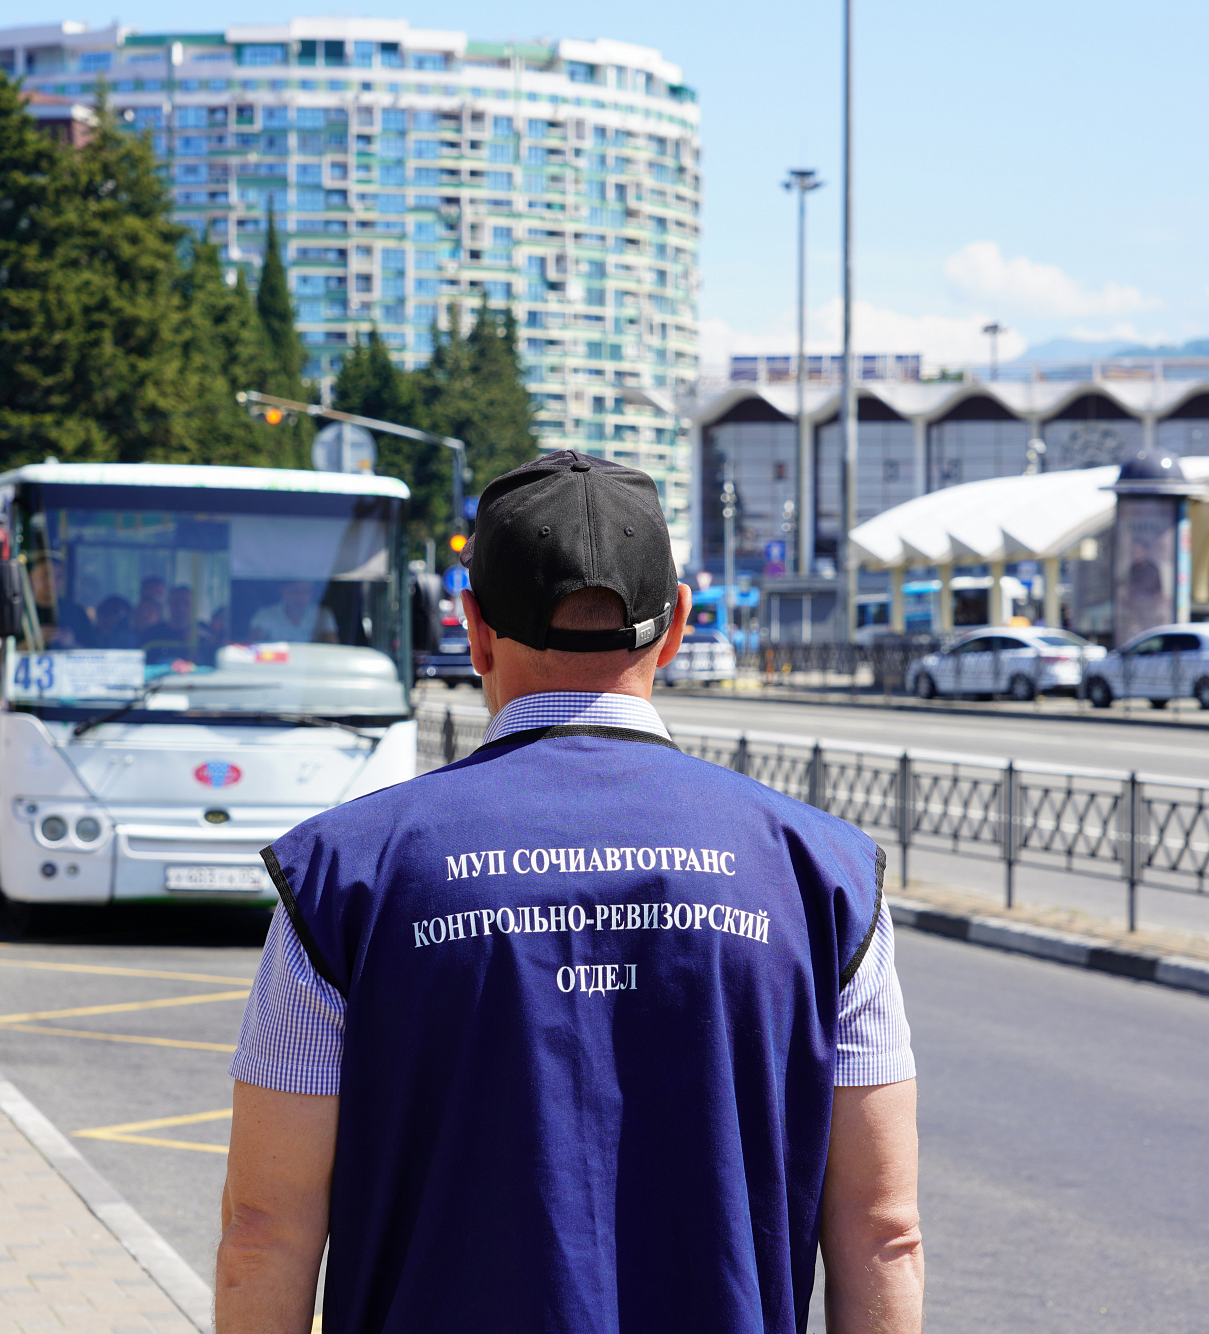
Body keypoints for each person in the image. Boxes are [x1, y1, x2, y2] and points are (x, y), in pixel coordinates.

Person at [218, 452, 924, 1332]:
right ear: (675, 631)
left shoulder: (342, 875)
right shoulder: (827, 879)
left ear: (473, 628)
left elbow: (264, 1231)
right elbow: (884, 1232)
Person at [27, 554, 95, 648]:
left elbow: (94, 654)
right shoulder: (18, 613)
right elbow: (3, 653)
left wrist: (71, 643)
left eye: (58, 576)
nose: (52, 582)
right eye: (46, 575)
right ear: (31, 577)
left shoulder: (76, 613)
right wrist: (32, 641)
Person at [247, 579, 338, 644]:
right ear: (283, 591)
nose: (301, 598)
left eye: (306, 592)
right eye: (296, 592)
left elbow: (333, 647)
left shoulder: (322, 615)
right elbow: (254, 645)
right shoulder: (265, 615)